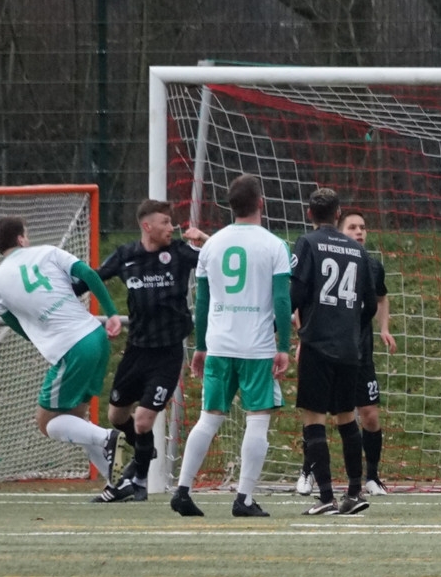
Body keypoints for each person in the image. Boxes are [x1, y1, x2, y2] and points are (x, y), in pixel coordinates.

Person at [169, 174, 292, 517]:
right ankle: (244, 499)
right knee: (258, 419)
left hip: (220, 345)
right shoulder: (274, 245)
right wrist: (284, 345)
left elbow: (202, 300)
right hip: (256, 346)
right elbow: (282, 300)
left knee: (209, 418)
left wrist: (200, 346)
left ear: (231, 206)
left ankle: (182, 490)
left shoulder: (212, 245)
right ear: (261, 203)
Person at [0, 216, 126, 491]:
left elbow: (10, 320)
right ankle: (118, 484)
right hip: (95, 336)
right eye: (26, 234)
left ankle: (107, 437)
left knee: (46, 422)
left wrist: (37, 337)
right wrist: (111, 313)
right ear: (21, 239)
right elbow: (89, 274)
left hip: (72, 348)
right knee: (74, 418)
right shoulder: (48, 252)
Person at [81, 199, 209, 502]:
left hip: (167, 353)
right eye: (165, 222)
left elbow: (221, 258)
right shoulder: (126, 255)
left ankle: (137, 480)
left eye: (171, 222)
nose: (171, 227)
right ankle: (143, 450)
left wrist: (205, 240)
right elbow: (93, 278)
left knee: (142, 419)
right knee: (116, 415)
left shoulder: (179, 252)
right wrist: (56, 292)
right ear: (147, 226)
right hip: (136, 350)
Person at [296, 210, 397, 498]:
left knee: (368, 415)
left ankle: (370, 478)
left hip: (357, 352)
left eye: (362, 227)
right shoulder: (320, 255)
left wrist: (384, 328)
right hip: (325, 348)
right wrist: (304, 336)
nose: (359, 232)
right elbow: (305, 300)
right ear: (339, 231)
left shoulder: (371, 264)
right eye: (352, 227)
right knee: (319, 414)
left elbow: (379, 298)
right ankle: (309, 472)